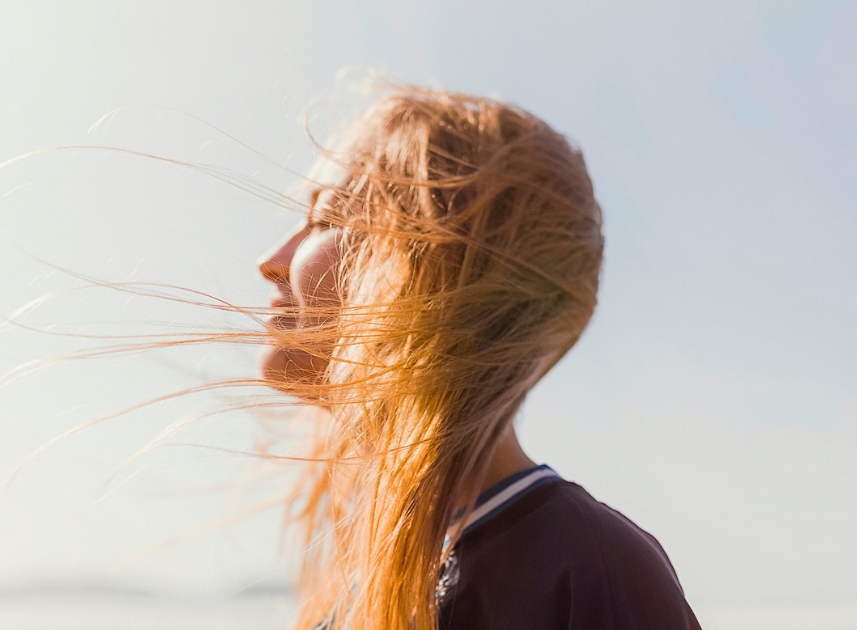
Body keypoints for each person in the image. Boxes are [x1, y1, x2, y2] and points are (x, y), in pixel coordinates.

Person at [253, 86, 701, 630]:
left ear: (436, 269)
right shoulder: (367, 581)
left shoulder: (591, 571)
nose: (272, 261)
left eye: (327, 220)